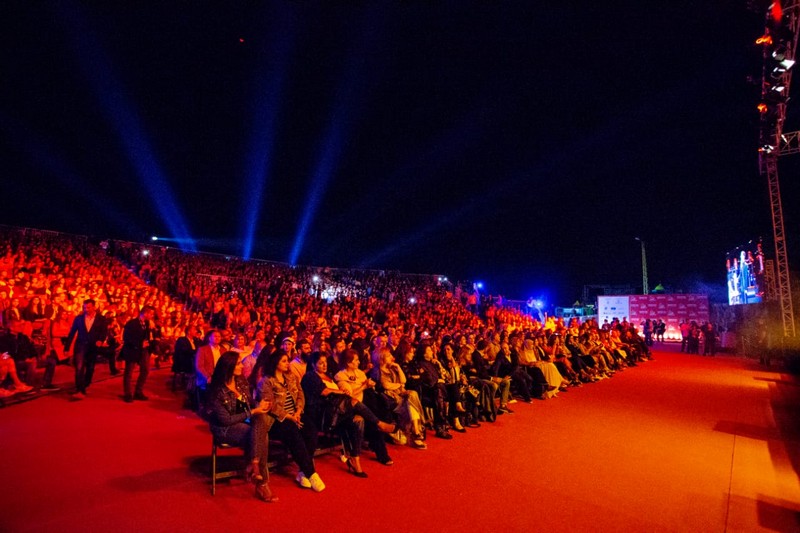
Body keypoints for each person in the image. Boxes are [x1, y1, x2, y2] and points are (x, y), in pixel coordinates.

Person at [301, 351, 395, 476]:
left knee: (359, 419)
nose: (324, 365)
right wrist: (341, 391)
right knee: (353, 401)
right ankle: (380, 424)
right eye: (320, 363)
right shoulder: (310, 376)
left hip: (338, 411)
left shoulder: (329, 375)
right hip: (323, 414)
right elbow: (325, 391)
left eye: (325, 362)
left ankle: (355, 459)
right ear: (313, 364)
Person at [206, 351, 276, 503]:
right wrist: (253, 412)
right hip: (225, 428)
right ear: (229, 367)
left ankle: (254, 464)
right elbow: (225, 420)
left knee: (260, 420)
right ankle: (262, 482)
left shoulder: (241, 381)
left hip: (246, 421)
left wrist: (260, 405)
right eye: (238, 363)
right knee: (261, 435)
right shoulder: (216, 390)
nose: (242, 365)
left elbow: (250, 403)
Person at [259, 350, 326, 492]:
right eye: (284, 361)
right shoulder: (267, 381)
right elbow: (270, 405)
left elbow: (301, 395)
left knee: (311, 431)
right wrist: (289, 416)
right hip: (278, 419)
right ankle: (311, 473)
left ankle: (302, 471)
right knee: (293, 432)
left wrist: (298, 411)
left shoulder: (291, 377)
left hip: (296, 415)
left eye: (287, 360)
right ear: (275, 363)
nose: (287, 363)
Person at [64, 299, 108, 399]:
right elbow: (72, 332)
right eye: (84, 308)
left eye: (88, 307)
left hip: (93, 346)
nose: (86, 309)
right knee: (79, 367)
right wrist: (67, 348)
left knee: (90, 367)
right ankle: (80, 390)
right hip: (80, 345)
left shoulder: (101, 319)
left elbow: (104, 331)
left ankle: (86, 384)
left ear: (94, 307)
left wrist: (100, 340)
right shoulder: (78, 318)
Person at [120, 306, 155, 403]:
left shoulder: (147, 323)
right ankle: (127, 393)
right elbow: (127, 338)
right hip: (132, 350)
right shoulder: (132, 323)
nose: (152, 316)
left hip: (143, 350)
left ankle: (138, 391)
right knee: (129, 372)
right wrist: (140, 343)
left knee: (145, 370)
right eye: (151, 314)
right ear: (145, 313)